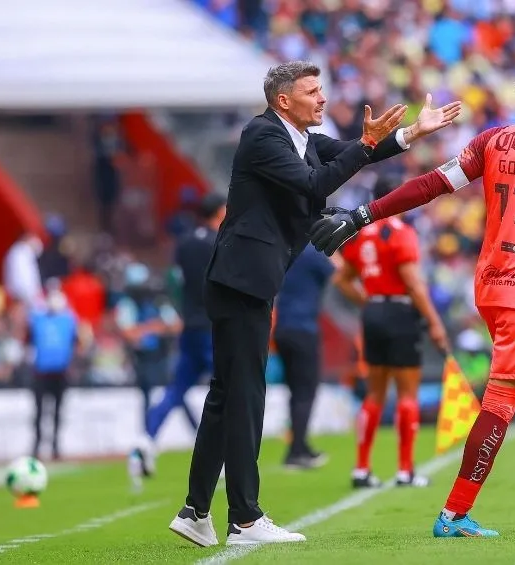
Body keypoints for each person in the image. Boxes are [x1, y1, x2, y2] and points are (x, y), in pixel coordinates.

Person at [311, 56, 515, 537]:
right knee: (502, 401)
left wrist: (362, 215)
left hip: (491, 283)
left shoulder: (495, 141)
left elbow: (430, 186)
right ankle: (454, 514)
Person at [168, 60, 461, 547]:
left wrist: (411, 134)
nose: (322, 98)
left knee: (227, 397)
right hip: (242, 280)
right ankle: (244, 519)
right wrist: (366, 146)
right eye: (312, 91)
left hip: (243, 280)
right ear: (284, 100)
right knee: (244, 396)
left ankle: (196, 511)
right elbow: (315, 184)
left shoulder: (297, 138)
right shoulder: (263, 135)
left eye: (321, 89)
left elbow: (349, 155)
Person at [332, 174, 449, 489]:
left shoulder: (360, 236)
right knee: (407, 393)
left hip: (372, 313)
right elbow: (413, 282)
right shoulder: (401, 233)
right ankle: (405, 471)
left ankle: (361, 468)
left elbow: (342, 280)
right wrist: (435, 324)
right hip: (399, 312)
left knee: (374, 394)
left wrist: (369, 302)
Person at [141, 194, 227, 463]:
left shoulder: (185, 243)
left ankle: (145, 439)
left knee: (176, 388)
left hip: (189, 324)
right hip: (212, 325)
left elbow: (178, 282)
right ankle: (219, 452)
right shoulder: (219, 241)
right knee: (228, 388)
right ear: (219, 211)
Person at [273, 243, 337, 470]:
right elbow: (335, 273)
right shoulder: (314, 252)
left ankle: (299, 444)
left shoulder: (285, 249)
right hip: (304, 328)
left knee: (295, 390)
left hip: (282, 327)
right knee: (306, 391)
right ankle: (297, 449)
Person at [115, 263, 182, 430]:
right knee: (145, 398)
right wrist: (155, 327)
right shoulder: (127, 305)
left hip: (162, 358)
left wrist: (146, 329)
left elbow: (176, 325)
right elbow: (128, 333)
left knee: (175, 394)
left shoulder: (159, 303)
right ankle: (147, 432)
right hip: (141, 360)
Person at [27, 289, 78, 460]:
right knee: (39, 412)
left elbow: (76, 341)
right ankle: (37, 446)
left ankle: (55, 446)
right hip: (41, 372)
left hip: (60, 372)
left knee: (57, 412)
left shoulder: (68, 320)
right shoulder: (38, 318)